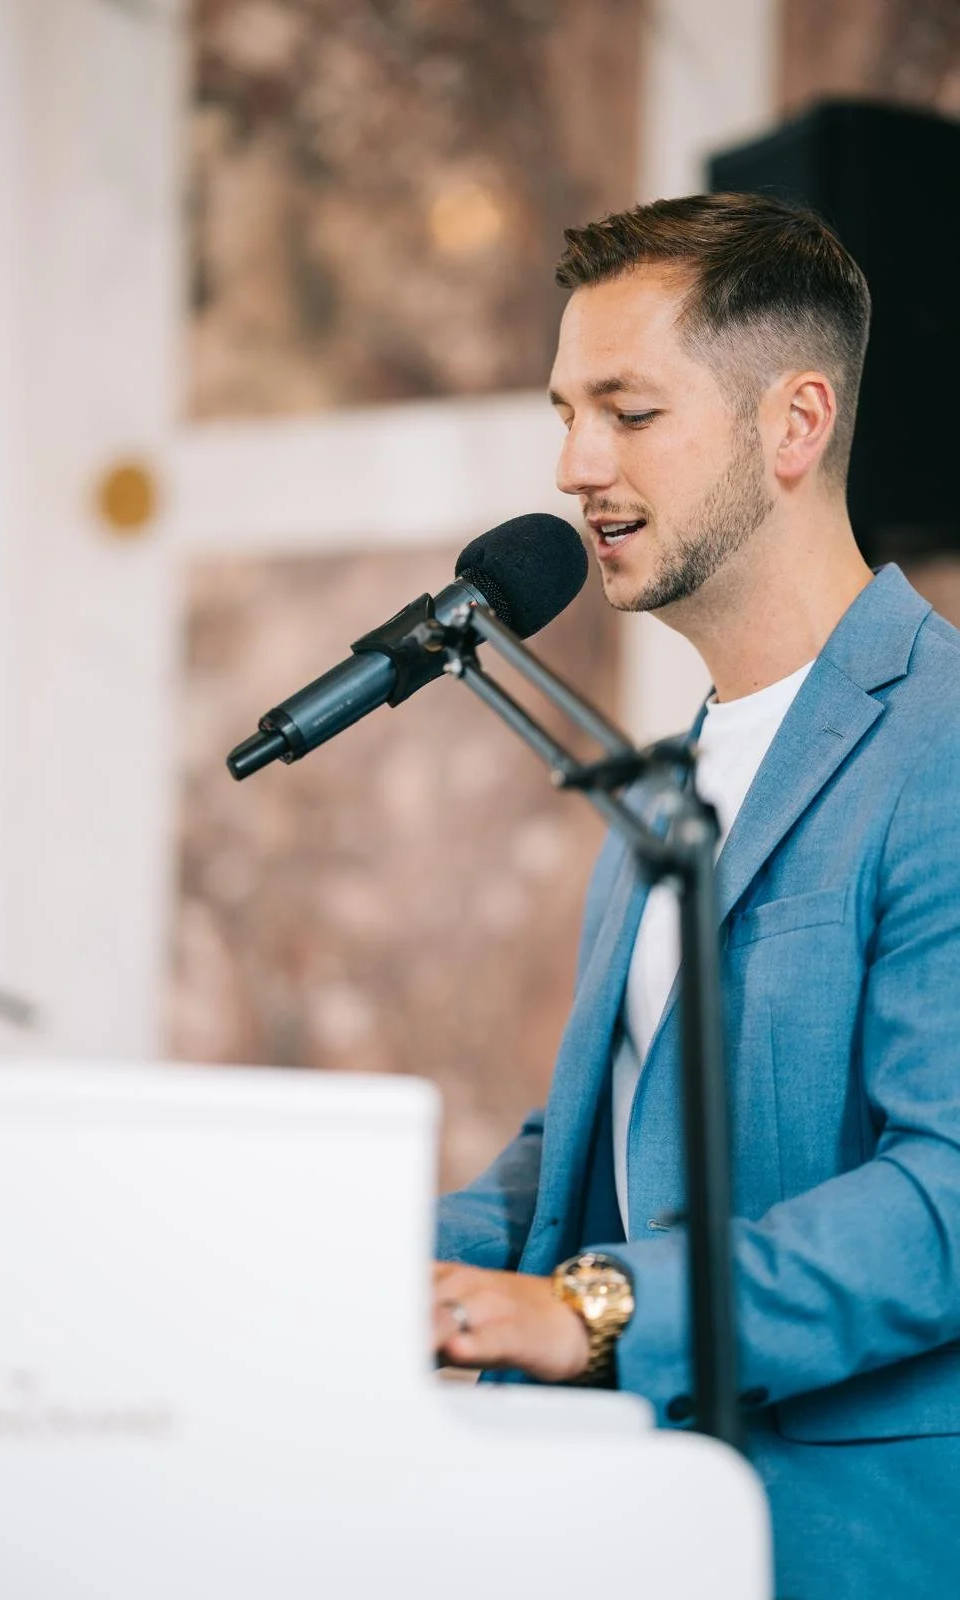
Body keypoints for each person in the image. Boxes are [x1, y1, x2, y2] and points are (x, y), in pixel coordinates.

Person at [432, 194, 960, 1600]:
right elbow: (589, 1143)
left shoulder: (945, 742)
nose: (571, 464)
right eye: (563, 411)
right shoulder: (658, 779)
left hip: (849, 1545)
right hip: (623, 1526)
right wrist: (349, 1262)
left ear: (791, 426)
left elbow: (944, 1196)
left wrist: (595, 1311)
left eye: (625, 410)